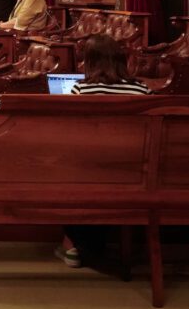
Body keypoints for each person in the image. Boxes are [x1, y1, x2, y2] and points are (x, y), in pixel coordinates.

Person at [55, 34, 150, 269]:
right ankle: (85, 245)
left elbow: (70, 132)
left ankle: (74, 245)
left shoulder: (81, 89)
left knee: (70, 174)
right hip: (135, 171)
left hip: (91, 172)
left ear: (90, 62)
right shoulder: (142, 90)